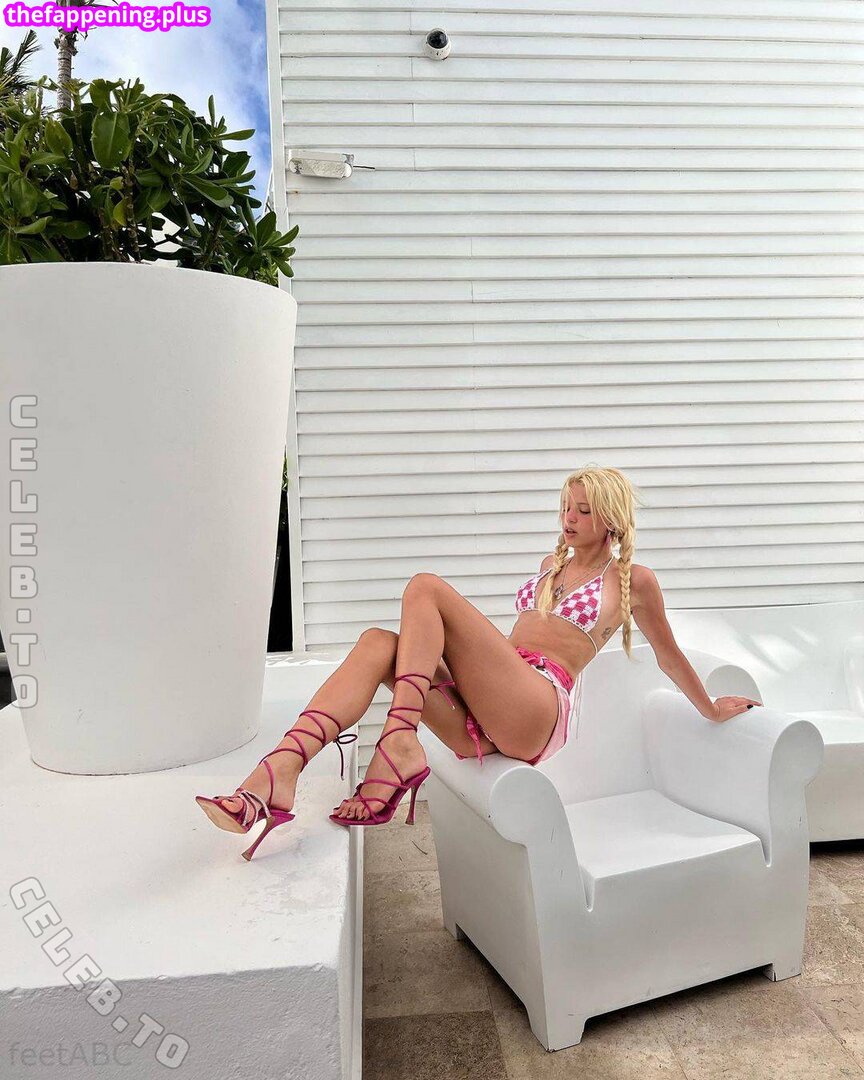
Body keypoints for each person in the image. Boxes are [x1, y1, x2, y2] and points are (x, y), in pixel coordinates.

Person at [195, 465, 761, 859]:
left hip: (537, 709)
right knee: (375, 643)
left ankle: (398, 742)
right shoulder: (550, 564)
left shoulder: (633, 580)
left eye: (583, 510)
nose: (568, 518)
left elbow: (668, 656)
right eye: (565, 507)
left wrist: (711, 708)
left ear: (610, 518)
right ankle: (278, 775)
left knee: (425, 586)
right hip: (491, 707)